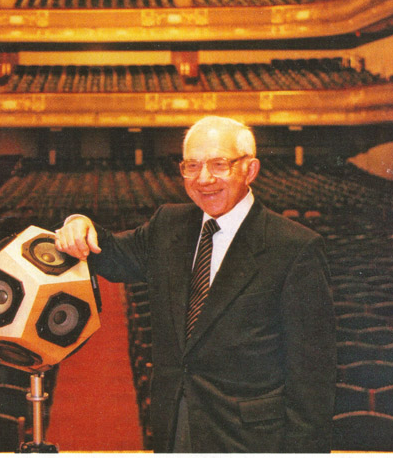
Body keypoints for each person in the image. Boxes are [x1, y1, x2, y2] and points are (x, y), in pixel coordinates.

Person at [55, 116, 336, 453]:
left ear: (250, 170)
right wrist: (79, 222)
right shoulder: (168, 224)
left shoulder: (294, 247)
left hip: (250, 439)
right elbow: (112, 255)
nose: (204, 179)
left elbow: (312, 378)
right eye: (192, 165)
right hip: (174, 424)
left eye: (219, 164)